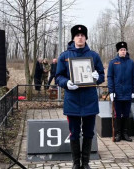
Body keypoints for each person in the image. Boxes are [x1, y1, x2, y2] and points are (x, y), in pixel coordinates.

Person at [55, 24, 105, 169]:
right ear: (73, 38)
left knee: (89, 132)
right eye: (77, 35)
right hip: (73, 101)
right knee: (74, 133)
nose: (80, 37)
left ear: (86, 37)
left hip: (89, 100)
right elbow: (58, 76)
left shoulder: (94, 56)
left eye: (83, 35)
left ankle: (86, 163)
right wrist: (66, 83)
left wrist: (97, 77)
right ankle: (76, 163)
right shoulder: (64, 56)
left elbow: (101, 75)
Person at [107, 41, 134, 142]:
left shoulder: (131, 62)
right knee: (118, 114)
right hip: (117, 93)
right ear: (118, 51)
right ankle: (118, 133)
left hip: (128, 93)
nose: (123, 52)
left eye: (124, 50)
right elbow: (110, 77)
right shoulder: (113, 62)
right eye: (121, 50)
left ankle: (125, 133)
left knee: (126, 114)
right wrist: (111, 91)